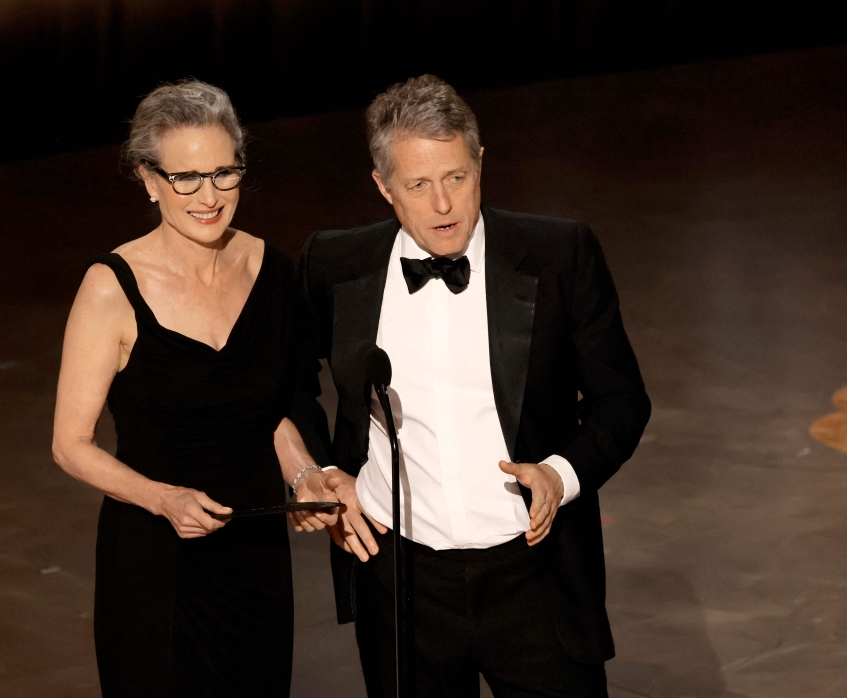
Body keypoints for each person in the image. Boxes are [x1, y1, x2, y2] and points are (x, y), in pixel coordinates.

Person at [291, 75, 651, 697]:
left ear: (481, 162)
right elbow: (289, 383)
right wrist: (318, 469)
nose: (443, 205)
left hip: (534, 577)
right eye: (418, 185)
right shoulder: (335, 264)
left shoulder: (559, 254)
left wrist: (560, 475)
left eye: (456, 177)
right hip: (400, 584)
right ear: (383, 186)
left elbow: (622, 402)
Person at [51, 79, 336, 697]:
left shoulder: (275, 271)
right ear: (149, 181)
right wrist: (162, 499)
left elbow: (276, 409)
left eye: (224, 174)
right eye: (186, 178)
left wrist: (303, 474)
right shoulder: (111, 287)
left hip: (255, 562)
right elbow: (71, 444)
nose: (209, 196)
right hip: (156, 564)